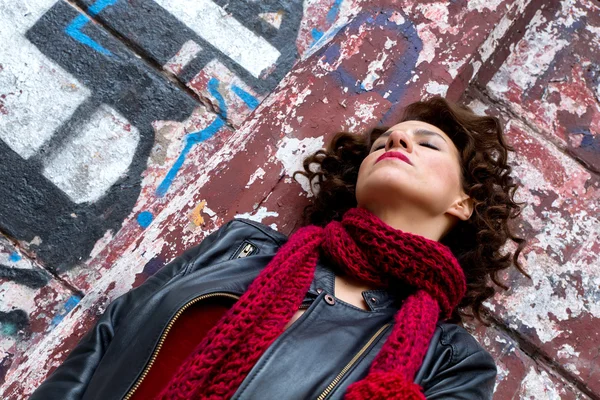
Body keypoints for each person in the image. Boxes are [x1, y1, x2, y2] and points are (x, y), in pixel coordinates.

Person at [30, 97, 529, 400]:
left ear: (463, 202)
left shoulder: (452, 363)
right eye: (384, 141)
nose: (397, 139)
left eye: (427, 143)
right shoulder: (241, 246)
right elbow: (111, 334)